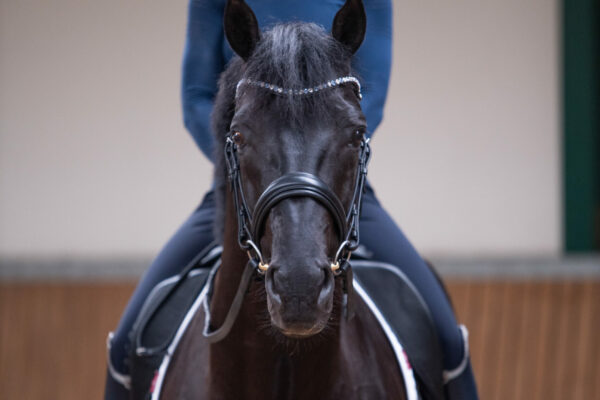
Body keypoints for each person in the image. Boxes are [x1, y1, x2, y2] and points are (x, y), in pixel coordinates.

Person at [104, 0, 479, 399]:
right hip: (242, 188)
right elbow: (197, 95)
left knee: (448, 340)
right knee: (126, 343)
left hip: (338, 190)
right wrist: (248, 153)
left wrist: (326, 147)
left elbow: (369, 97)